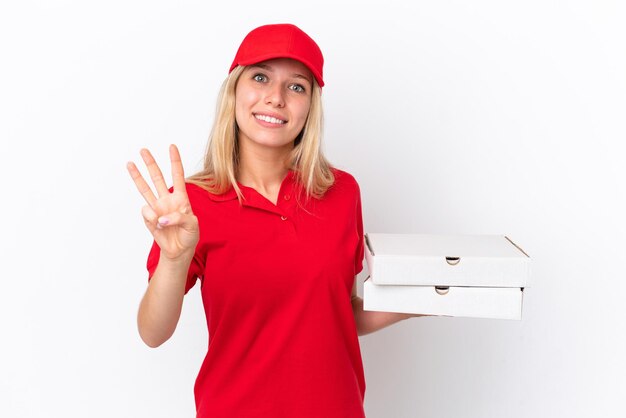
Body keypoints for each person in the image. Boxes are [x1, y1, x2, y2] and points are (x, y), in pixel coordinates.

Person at [127, 23, 421, 418]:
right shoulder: (191, 205)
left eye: (296, 86)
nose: (276, 98)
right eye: (260, 77)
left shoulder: (342, 192)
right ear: (234, 90)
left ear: (310, 106)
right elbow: (152, 332)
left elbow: (340, 311)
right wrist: (175, 259)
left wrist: (432, 297)